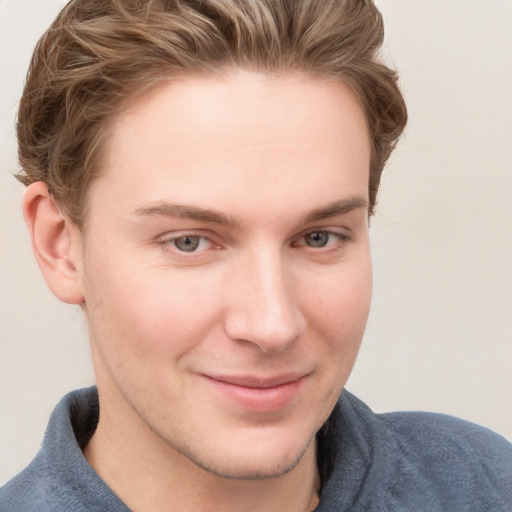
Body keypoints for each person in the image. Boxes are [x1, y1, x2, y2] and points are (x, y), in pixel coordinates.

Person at [1, 0, 511, 510]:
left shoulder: (485, 485)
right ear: (60, 245)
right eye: (190, 242)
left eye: (319, 237)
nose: (272, 325)